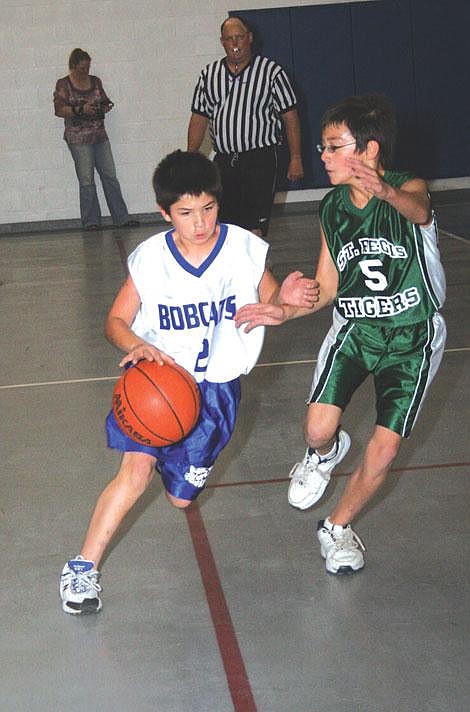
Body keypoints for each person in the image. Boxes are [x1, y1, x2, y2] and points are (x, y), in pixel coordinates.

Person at [59, 150, 318, 614]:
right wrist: (133, 345)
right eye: (185, 213)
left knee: (180, 500)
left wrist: (288, 301)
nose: (199, 223)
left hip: (217, 393)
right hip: (156, 384)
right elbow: (115, 321)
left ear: (218, 202)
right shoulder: (151, 260)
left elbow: (272, 302)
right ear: (164, 213)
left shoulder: (242, 248)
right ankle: (83, 567)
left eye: (208, 209)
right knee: (133, 476)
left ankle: (175, 465)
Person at [235, 94, 447, 575]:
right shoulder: (331, 207)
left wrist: (386, 193)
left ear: (369, 150)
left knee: (388, 443)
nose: (322, 157)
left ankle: (337, 527)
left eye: (334, 147)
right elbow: (327, 286)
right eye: (322, 147)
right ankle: (325, 453)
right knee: (316, 428)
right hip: (355, 330)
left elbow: (418, 210)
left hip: (413, 336)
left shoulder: (407, 188)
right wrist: (282, 311)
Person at [187, 15, 304, 237]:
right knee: (226, 222)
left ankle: (258, 269)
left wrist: (296, 158)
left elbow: (291, 118)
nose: (235, 44)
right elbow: (199, 118)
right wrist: (190, 157)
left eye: (239, 37)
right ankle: (235, 269)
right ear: (222, 41)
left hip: (260, 158)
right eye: (229, 39)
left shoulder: (271, 72)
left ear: (249, 38)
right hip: (224, 159)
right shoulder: (209, 75)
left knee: (254, 225)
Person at [54, 48, 139, 230]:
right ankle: (91, 221)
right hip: (78, 138)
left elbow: (106, 101)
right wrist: (80, 110)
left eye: (88, 67)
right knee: (86, 180)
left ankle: (121, 218)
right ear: (73, 66)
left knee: (110, 176)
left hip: (100, 135)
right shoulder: (63, 84)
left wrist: (102, 108)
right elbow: (59, 109)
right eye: (82, 68)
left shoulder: (95, 81)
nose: (86, 71)